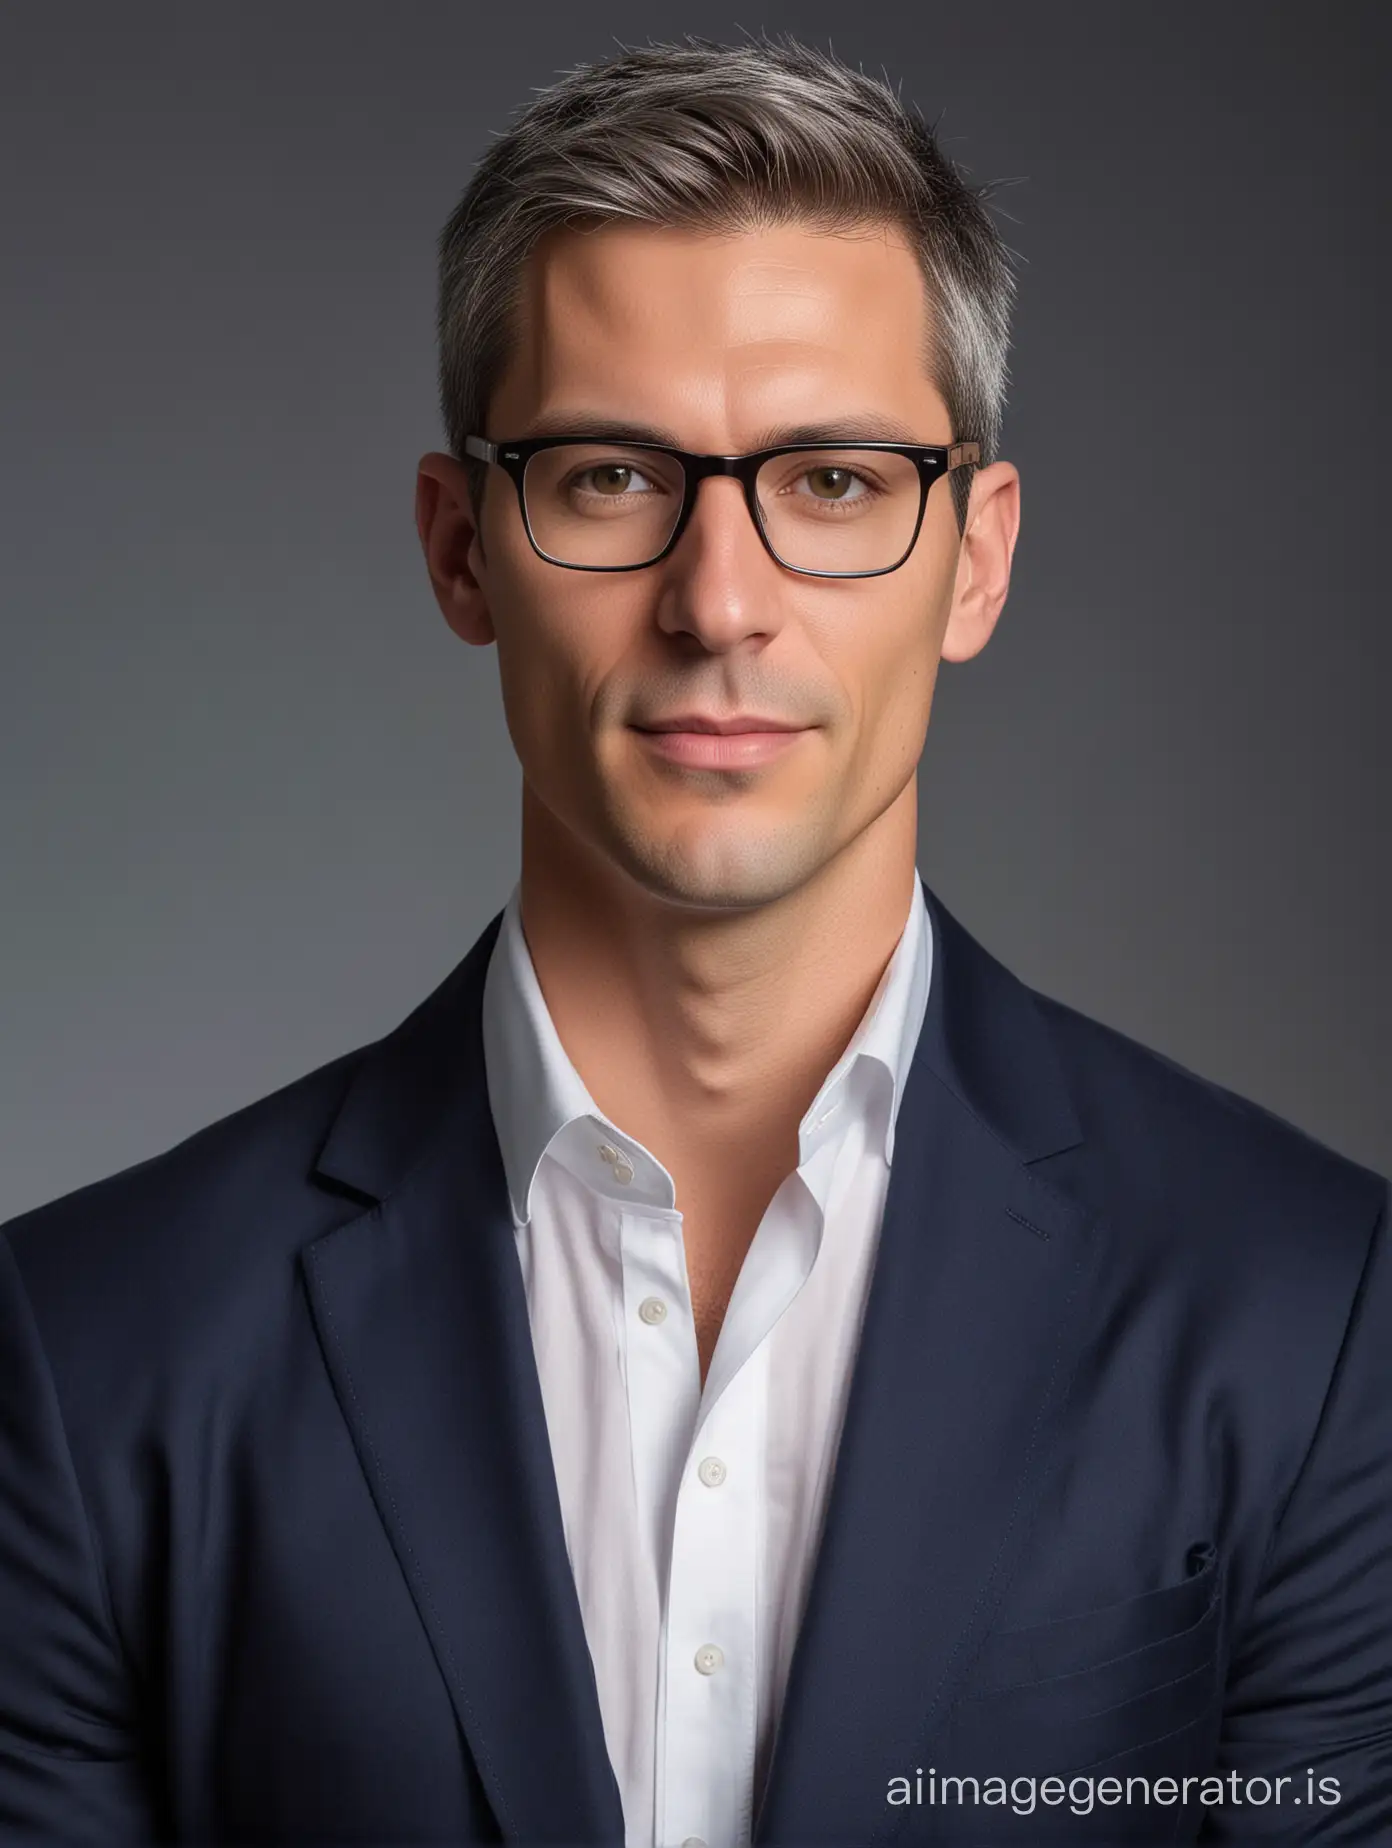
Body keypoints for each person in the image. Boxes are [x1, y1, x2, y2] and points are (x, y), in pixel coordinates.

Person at [0, 32, 1387, 1848]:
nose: (717, 602)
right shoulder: (88, 1353)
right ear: (459, 550)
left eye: (830, 482)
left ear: (973, 556)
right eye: (605, 477)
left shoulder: (1314, 1319)